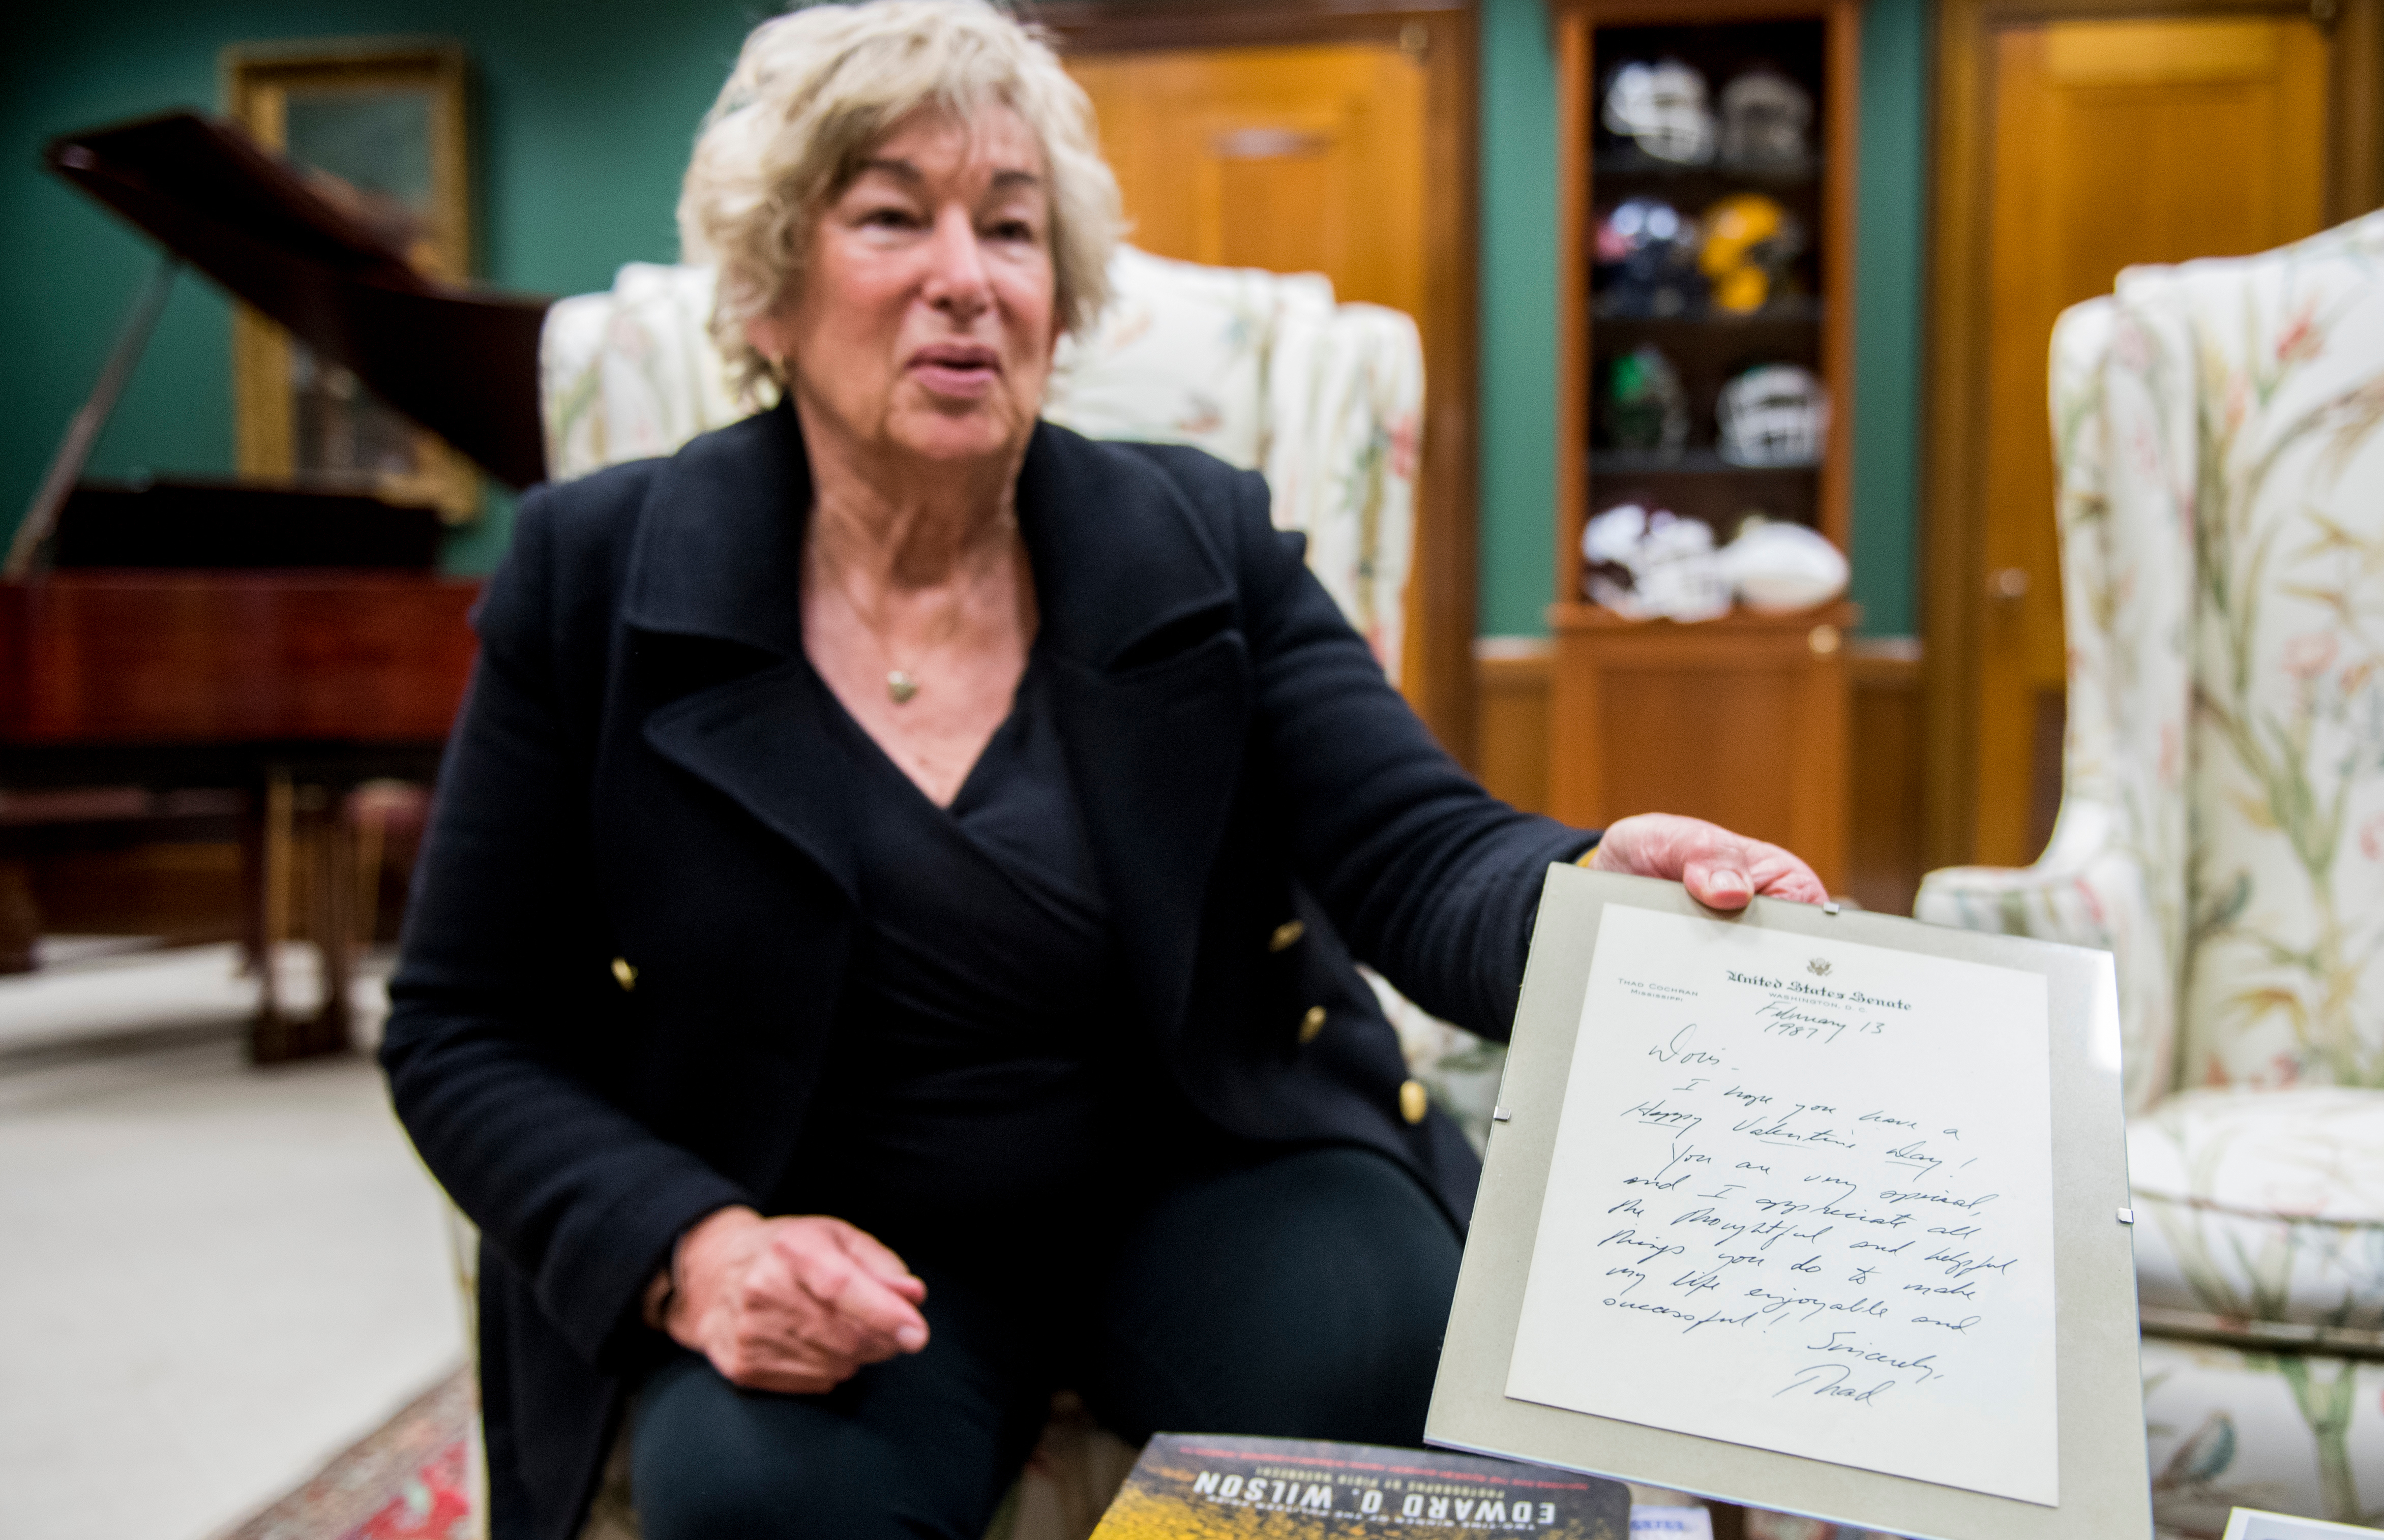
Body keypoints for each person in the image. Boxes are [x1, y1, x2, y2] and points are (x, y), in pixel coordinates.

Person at [379, 5, 1826, 1537]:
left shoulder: (1197, 539)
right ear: (771, 296)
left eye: (1011, 228)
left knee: (1399, 1365)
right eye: (890, 216)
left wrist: (1599, 890)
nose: (967, 276)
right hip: (826, 1226)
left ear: (1058, 300)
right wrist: (692, 1248)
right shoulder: (595, 575)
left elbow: (1416, 851)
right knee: (753, 1506)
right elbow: (464, 1023)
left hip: (1207, 1168)